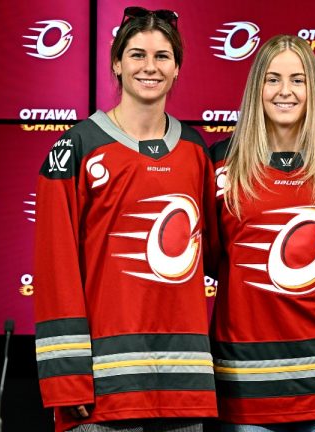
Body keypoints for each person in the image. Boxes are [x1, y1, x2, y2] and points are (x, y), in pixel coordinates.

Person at [33, 7, 218, 432]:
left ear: (177, 69)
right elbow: (56, 270)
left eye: (162, 57)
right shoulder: (75, 147)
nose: (149, 67)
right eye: (137, 55)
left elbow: (217, 255)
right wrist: (67, 379)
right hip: (102, 390)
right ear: (117, 63)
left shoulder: (194, 150)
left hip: (182, 388)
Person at [209, 35, 315, 431]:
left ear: (313, 89)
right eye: (273, 79)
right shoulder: (220, 161)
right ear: (256, 88)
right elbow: (212, 255)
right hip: (245, 379)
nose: (285, 91)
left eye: (298, 80)